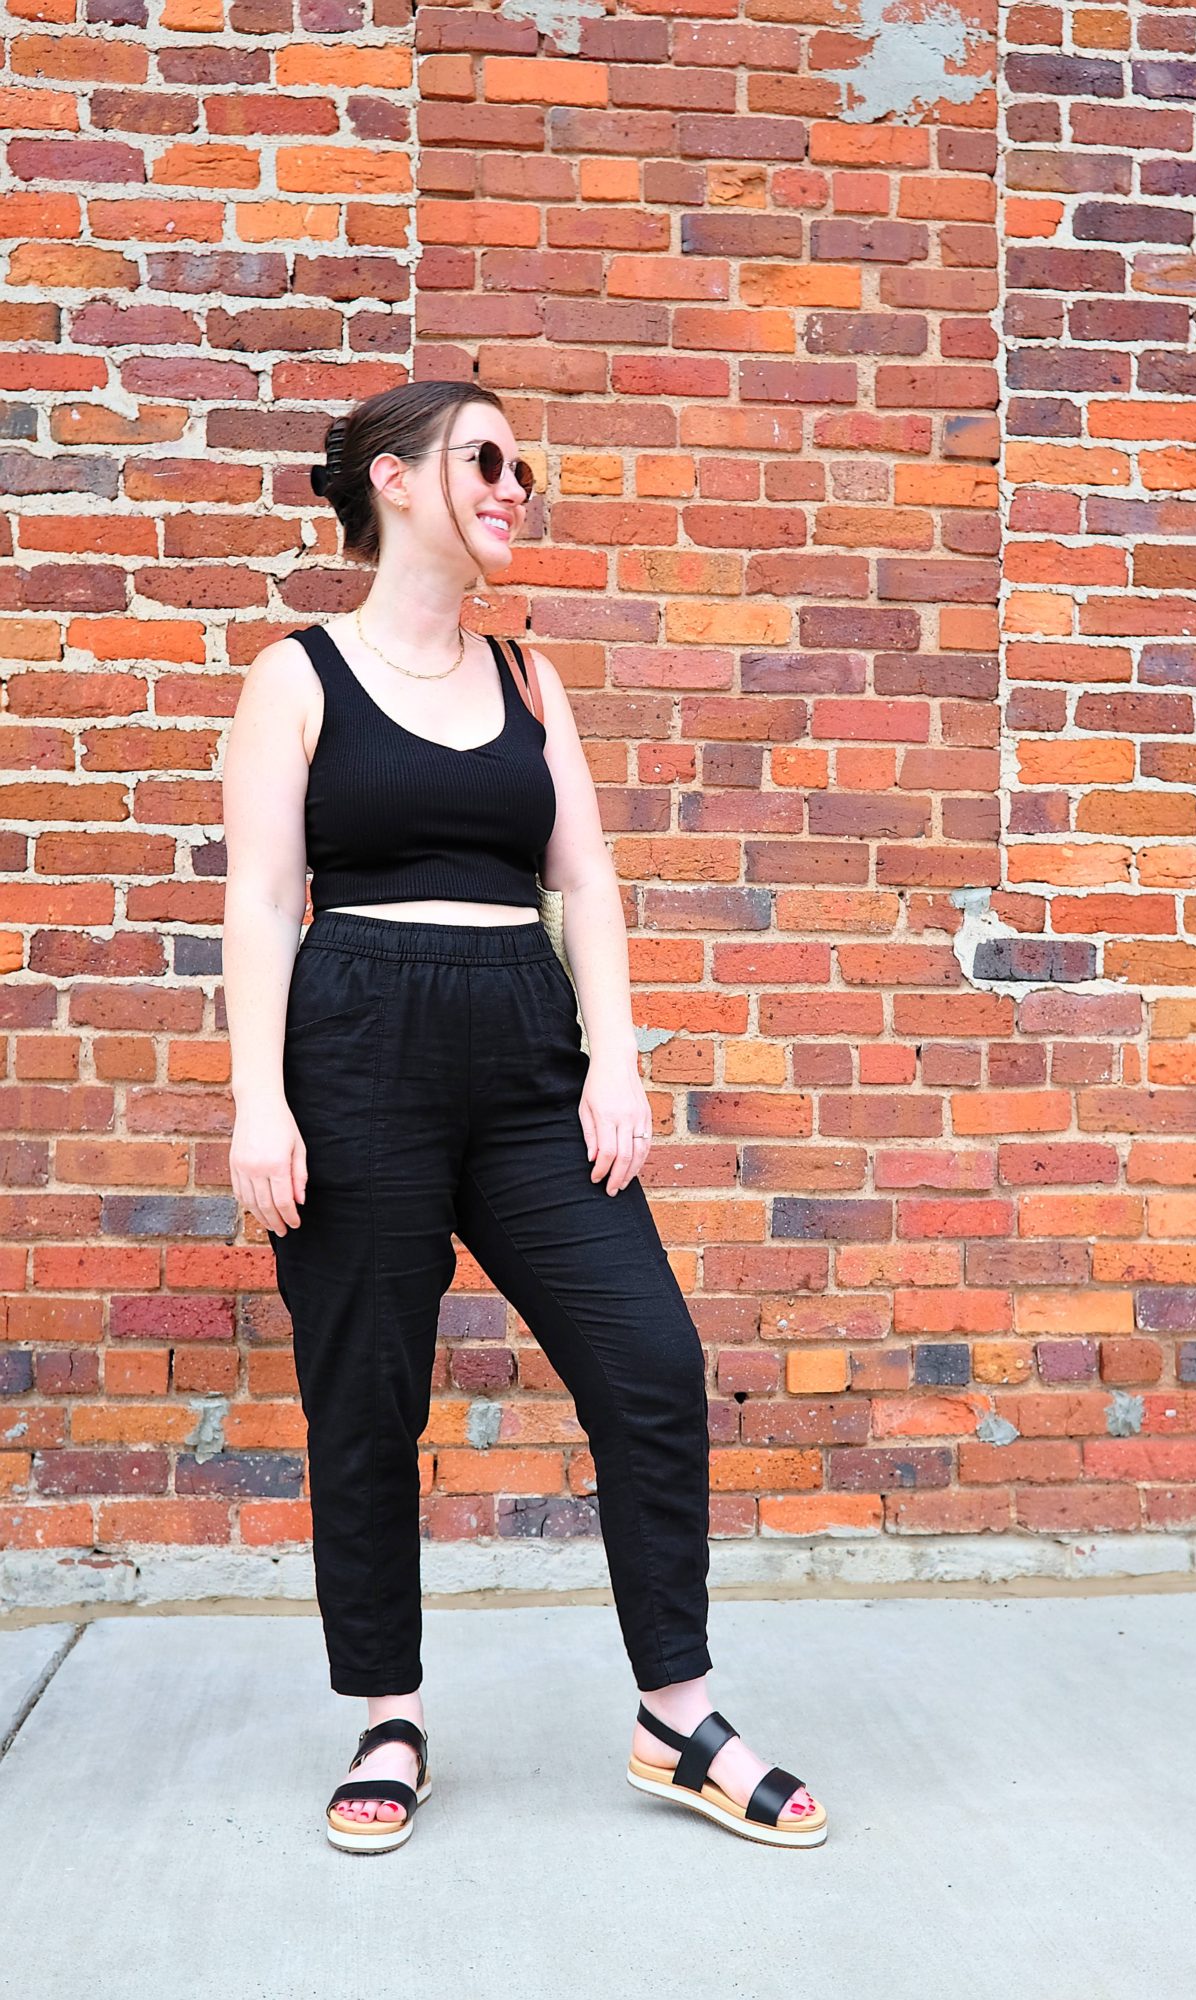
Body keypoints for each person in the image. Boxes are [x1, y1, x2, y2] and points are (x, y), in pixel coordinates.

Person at [221, 379, 826, 1853]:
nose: (513, 486)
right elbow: (257, 900)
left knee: (649, 1360)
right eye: (485, 460)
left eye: (523, 467)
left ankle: (675, 1712)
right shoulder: (296, 680)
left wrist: (614, 1063)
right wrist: (258, 1102)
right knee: (365, 1395)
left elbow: (589, 885)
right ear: (395, 481)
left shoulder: (528, 683)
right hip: (354, 1039)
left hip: (522, 1051)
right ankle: (387, 1711)